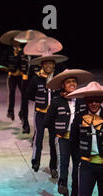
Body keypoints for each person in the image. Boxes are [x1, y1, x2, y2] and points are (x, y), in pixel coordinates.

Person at [44, 69, 93, 196]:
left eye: (74, 82)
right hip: (63, 139)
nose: (72, 84)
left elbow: (89, 117)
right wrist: (58, 131)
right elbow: (47, 121)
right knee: (63, 163)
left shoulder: (83, 100)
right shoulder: (56, 101)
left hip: (79, 140)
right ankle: (62, 184)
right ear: (63, 85)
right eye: (68, 82)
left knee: (78, 170)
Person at [26, 45, 68, 177]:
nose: (49, 65)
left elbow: (63, 93)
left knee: (53, 141)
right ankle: (35, 161)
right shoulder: (35, 79)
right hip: (40, 113)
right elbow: (28, 94)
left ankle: (53, 166)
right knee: (38, 138)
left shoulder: (59, 79)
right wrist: (40, 101)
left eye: (51, 63)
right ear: (42, 64)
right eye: (46, 63)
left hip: (54, 115)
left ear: (54, 65)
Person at [14, 30, 47, 133]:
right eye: (27, 41)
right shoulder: (20, 53)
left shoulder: (37, 53)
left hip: (35, 80)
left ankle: (26, 116)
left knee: (36, 100)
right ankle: (25, 125)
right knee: (24, 101)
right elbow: (16, 65)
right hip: (24, 80)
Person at [0, 30, 29, 127]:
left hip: (21, 76)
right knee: (11, 93)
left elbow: (27, 62)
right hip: (12, 75)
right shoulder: (7, 52)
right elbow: (2, 62)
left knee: (24, 95)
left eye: (17, 40)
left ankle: (22, 112)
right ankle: (10, 111)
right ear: (11, 42)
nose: (16, 42)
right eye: (14, 41)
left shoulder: (24, 51)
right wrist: (9, 68)